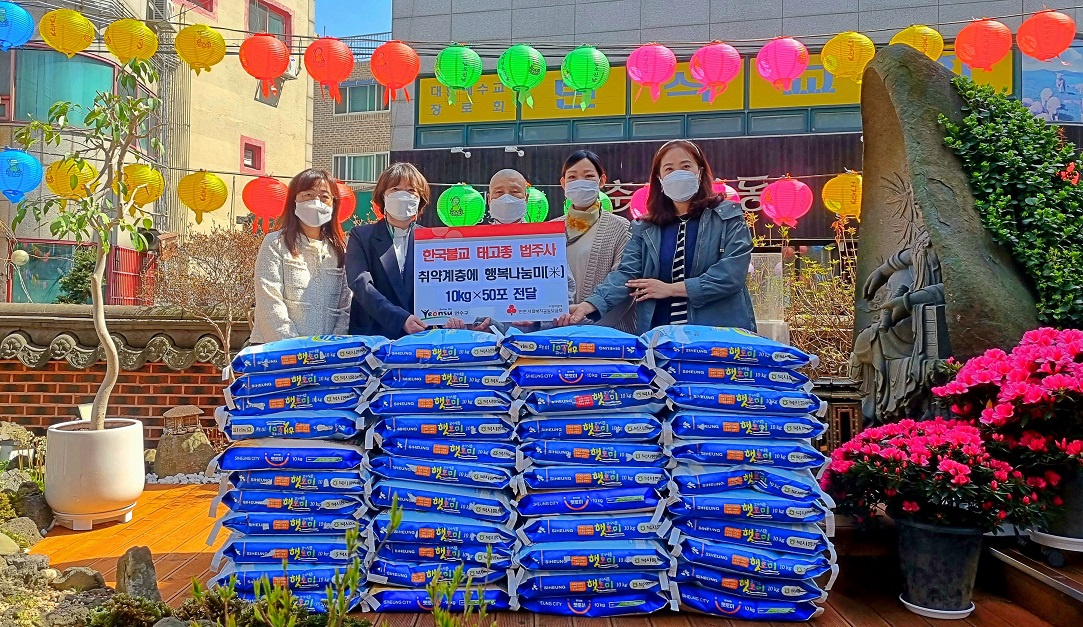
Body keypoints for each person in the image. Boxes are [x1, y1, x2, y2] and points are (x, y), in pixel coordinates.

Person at [567, 139, 755, 333]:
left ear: (699, 172)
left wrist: (670, 289)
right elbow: (626, 274)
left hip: (717, 335)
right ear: (659, 178)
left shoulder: (727, 216)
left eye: (685, 166)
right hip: (661, 336)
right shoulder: (645, 227)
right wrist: (590, 305)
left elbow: (731, 274)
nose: (677, 174)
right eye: (669, 169)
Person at [252, 168, 350, 343]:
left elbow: (345, 306)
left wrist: (334, 345)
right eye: (308, 195)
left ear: (333, 205)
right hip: (280, 351)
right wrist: (294, 348)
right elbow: (269, 301)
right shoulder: (275, 243)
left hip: (328, 355)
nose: (316, 201)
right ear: (294, 200)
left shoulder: (340, 249)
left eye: (324, 196)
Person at [345, 162, 431, 339]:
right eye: (395, 189)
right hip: (374, 337)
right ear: (383, 196)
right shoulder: (361, 236)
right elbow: (361, 284)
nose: (403, 195)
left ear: (420, 199)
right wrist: (400, 319)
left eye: (411, 190)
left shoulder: (431, 239)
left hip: (423, 336)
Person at [558, 150, 635, 333]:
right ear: (563, 183)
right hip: (555, 331)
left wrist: (588, 320)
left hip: (607, 335)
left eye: (589, 176)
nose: (580, 182)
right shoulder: (548, 230)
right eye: (573, 177)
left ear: (601, 181)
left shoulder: (620, 227)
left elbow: (624, 281)